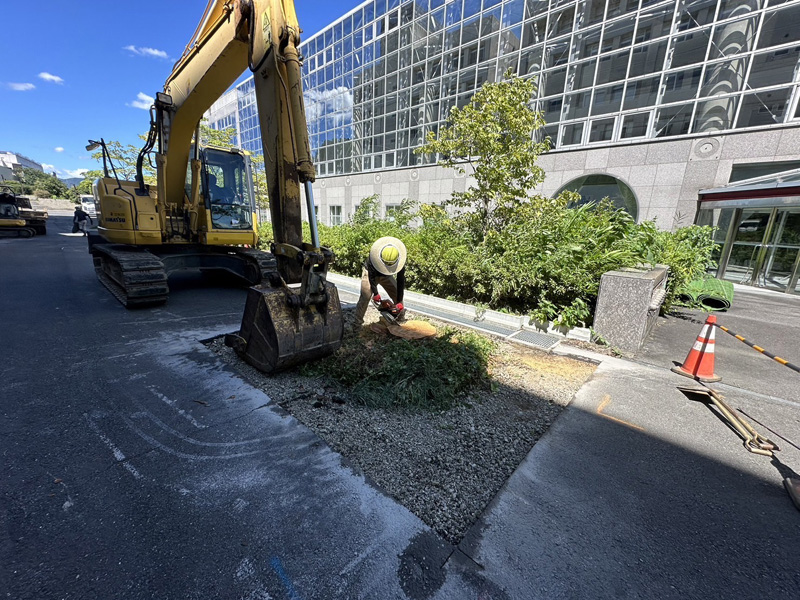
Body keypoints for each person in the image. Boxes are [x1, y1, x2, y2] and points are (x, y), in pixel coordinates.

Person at [353, 236, 407, 331]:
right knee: (365, 297)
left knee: (395, 292)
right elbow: (372, 276)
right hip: (370, 273)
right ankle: (356, 324)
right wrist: (375, 293)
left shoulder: (400, 260)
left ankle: (400, 317)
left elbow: (400, 281)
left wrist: (399, 301)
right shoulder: (373, 258)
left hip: (386, 274)